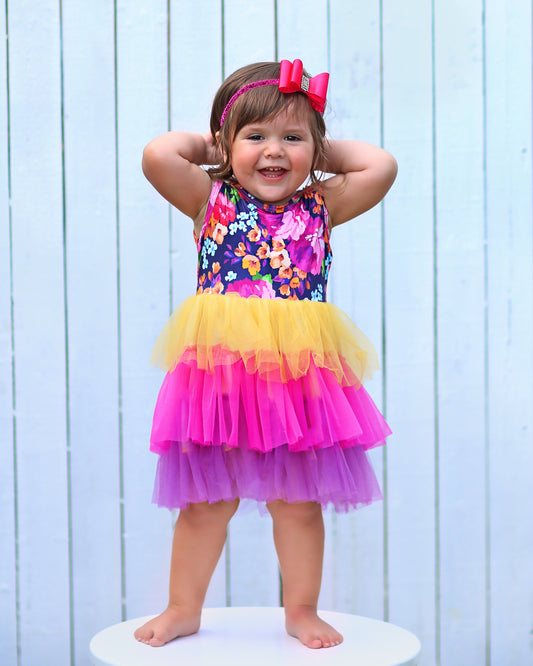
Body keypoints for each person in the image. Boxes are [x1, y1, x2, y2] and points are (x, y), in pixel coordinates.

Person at [134, 59, 397, 650]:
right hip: (221, 384)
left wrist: (313, 147)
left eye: (291, 138)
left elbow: (381, 165)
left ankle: (301, 610)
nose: (274, 152)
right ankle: (183, 607)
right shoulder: (211, 200)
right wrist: (219, 143)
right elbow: (158, 154)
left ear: (315, 147)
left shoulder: (322, 208)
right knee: (205, 503)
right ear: (228, 145)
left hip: (300, 384)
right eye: (256, 137)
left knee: (299, 506)